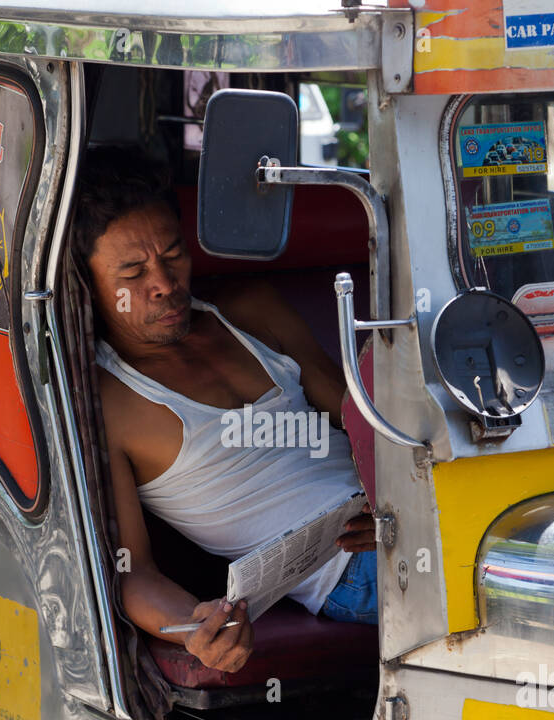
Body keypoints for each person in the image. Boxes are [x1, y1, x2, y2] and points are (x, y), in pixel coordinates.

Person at [73, 146, 377, 674]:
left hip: (399, 521)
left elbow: (363, 421)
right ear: (89, 285)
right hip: (347, 574)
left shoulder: (251, 309)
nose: (164, 284)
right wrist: (198, 629)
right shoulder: (108, 401)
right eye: (132, 273)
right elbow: (132, 572)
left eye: (173, 256)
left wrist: (397, 501)